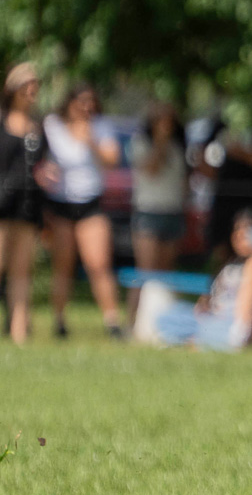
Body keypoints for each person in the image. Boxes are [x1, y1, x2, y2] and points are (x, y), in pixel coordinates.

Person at [39, 83, 123, 340]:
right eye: (81, 101)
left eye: (91, 102)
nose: (86, 107)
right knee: (63, 265)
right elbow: (39, 158)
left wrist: (91, 142)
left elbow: (113, 160)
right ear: (70, 102)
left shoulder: (100, 126)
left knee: (98, 264)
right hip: (61, 205)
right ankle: (59, 321)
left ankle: (113, 323)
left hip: (91, 204)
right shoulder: (52, 125)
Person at [152, 210, 252, 351]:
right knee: (169, 314)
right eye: (237, 230)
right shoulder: (229, 264)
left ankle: (195, 341)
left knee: (220, 333)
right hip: (214, 318)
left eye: (247, 232)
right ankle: (196, 340)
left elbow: (250, 310)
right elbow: (211, 297)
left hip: (235, 322)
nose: (240, 236)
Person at [129, 103, 188, 320]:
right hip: (148, 212)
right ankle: (132, 321)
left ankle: (161, 322)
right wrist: (160, 141)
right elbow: (152, 169)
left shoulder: (178, 147)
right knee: (145, 272)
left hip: (173, 211)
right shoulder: (141, 144)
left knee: (166, 273)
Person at [201, 114, 252, 262]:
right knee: (221, 253)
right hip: (224, 201)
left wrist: (244, 155)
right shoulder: (220, 125)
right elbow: (205, 167)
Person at [0, 63, 44, 344]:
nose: (33, 90)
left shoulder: (38, 128)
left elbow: (44, 165)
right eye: (28, 84)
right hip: (1, 207)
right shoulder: (1, 123)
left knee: (20, 272)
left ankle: (18, 334)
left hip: (28, 208)